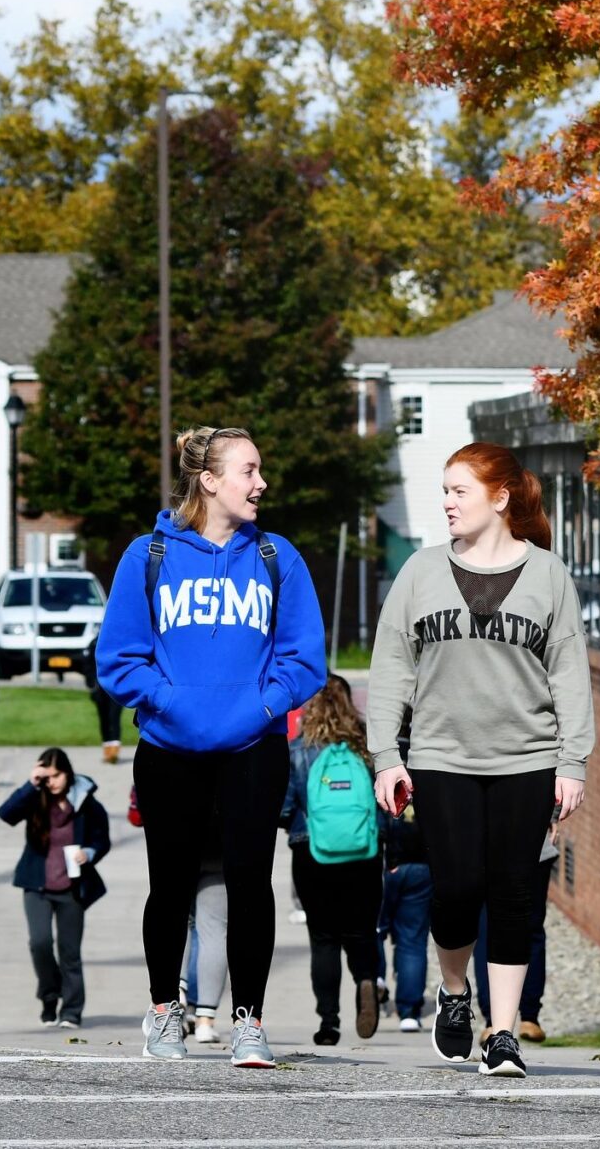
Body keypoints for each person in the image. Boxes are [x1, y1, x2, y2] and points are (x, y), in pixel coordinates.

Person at [96, 426, 326, 1068]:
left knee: (252, 886)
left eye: (259, 471)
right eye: (249, 471)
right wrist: (173, 705)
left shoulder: (279, 557)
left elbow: (304, 659)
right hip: (169, 751)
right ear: (210, 481)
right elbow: (118, 660)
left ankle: (248, 1022)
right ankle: (165, 1012)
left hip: (253, 749)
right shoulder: (150, 555)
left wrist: (258, 708)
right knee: (169, 887)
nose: (261, 483)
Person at [368, 442, 593, 1080]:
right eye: (444, 490)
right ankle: (454, 991)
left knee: (515, 894)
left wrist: (571, 762)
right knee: (458, 888)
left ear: (499, 497)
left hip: (527, 759)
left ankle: (503, 1034)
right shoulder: (419, 572)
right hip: (441, 757)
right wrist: (387, 756)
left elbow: (570, 673)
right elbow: (391, 670)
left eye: (458, 491)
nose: (446, 502)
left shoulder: (549, 575)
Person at [281, 673, 384, 1046]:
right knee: (360, 931)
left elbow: (285, 807)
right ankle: (367, 981)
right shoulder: (368, 746)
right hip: (364, 854)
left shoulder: (297, 749)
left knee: (323, 938)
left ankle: (329, 1022)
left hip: (311, 851)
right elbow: (386, 803)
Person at [0, 747, 110, 1029]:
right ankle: (49, 997)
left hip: (72, 887)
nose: (53, 782)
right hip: (37, 886)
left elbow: (102, 839)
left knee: (70, 952)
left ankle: (71, 1011)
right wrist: (31, 783)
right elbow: (6, 814)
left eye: (56, 775)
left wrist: (90, 853)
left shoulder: (85, 803)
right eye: (47, 777)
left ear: (68, 773)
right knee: (40, 943)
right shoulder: (35, 798)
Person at [476, 826, 558, 1041]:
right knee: (531, 930)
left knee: (487, 930)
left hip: (487, 846)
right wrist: (553, 816)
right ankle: (529, 1018)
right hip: (534, 842)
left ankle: (493, 1021)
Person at [378, 793, 432, 1032]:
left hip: (386, 866)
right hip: (422, 867)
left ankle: (374, 977)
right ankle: (409, 1011)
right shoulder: (431, 766)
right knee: (412, 941)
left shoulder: (381, 767)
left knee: (374, 929)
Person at [182, 852, 228, 1043]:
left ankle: (175, 996)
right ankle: (205, 1022)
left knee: (176, 919)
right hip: (219, 845)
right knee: (214, 930)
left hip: (178, 840)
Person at [89, 677, 125, 766]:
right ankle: (107, 749)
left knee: (114, 718)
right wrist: (90, 683)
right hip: (99, 688)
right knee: (103, 719)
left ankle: (114, 750)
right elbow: (88, 667)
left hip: (117, 688)